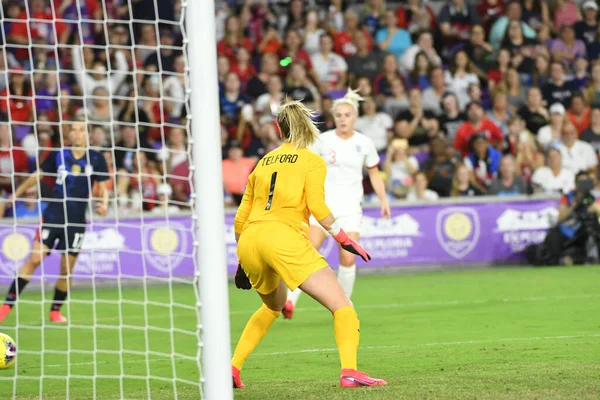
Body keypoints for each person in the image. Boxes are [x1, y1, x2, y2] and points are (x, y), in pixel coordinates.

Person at [231, 100, 387, 389]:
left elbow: (241, 217)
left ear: (279, 128)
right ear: (308, 128)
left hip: (250, 240)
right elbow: (317, 205)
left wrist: (242, 260)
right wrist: (343, 238)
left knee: (273, 306)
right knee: (343, 306)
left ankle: (233, 369)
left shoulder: (263, 161)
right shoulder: (312, 160)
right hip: (283, 238)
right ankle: (350, 372)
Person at [284, 89, 391, 318]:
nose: (343, 119)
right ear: (333, 117)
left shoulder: (365, 142)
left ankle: (343, 306)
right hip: (322, 205)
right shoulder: (322, 140)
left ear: (355, 117)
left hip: (351, 207)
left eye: (348, 114)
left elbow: (373, 173)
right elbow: (306, 167)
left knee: (348, 256)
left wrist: (383, 200)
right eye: (339, 115)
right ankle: (289, 302)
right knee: (309, 251)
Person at [0, 120, 109, 323]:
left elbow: (103, 185)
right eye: (73, 129)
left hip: (76, 221)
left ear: (88, 135)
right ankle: (6, 306)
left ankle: (55, 310)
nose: (76, 133)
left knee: (66, 269)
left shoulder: (96, 158)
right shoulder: (58, 155)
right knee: (34, 258)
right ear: (69, 134)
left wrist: (103, 204)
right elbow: (38, 175)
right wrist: (17, 193)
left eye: (81, 130)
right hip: (53, 216)